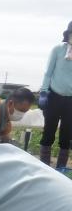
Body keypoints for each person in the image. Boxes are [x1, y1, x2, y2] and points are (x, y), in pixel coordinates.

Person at [38, 20, 72, 168]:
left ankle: (61, 169)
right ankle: (44, 166)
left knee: (67, 135)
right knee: (48, 132)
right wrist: (44, 92)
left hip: (70, 100)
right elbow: (48, 72)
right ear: (68, 34)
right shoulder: (58, 49)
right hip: (53, 96)